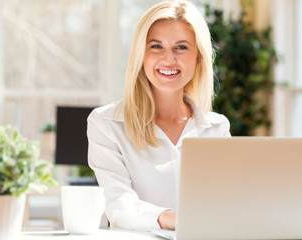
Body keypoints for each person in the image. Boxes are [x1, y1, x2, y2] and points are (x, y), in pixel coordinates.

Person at [87, 0, 231, 231]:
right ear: (140, 55)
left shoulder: (216, 127)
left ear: (198, 57)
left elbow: (226, 202)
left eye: (181, 47)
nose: (168, 59)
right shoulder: (106, 123)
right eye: (156, 46)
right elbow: (118, 205)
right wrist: (171, 218)